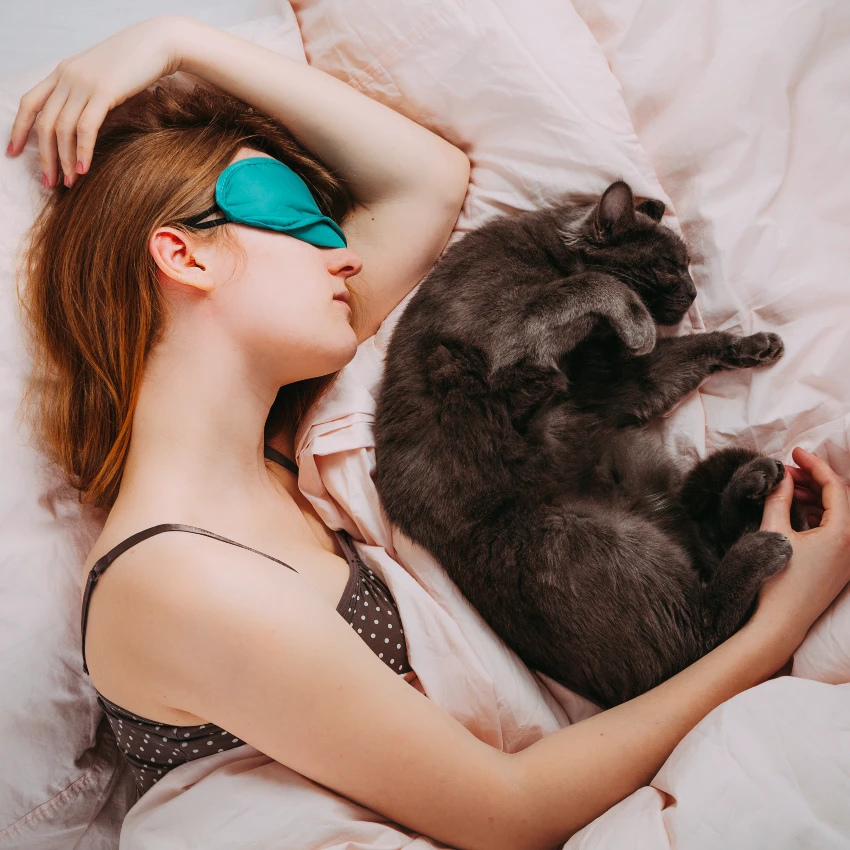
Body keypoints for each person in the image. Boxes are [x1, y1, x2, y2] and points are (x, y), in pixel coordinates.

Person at [7, 15, 850, 850]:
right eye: (301, 223)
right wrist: (780, 624)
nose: (345, 255)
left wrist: (177, 42)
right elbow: (507, 810)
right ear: (185, 257)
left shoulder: (279, 446)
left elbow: (427, 180)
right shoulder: (173, 579)